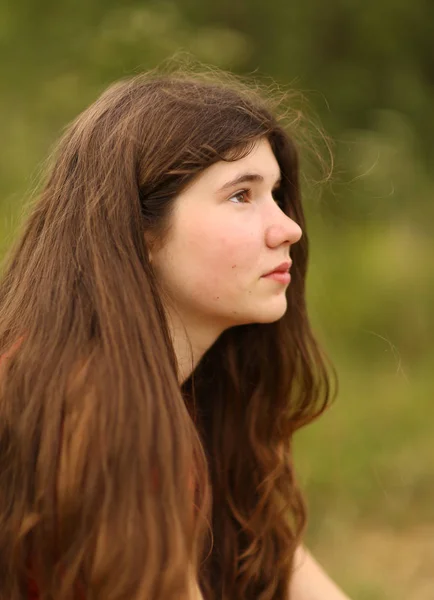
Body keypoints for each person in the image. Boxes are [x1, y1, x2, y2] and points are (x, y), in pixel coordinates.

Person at [0, 66, 350, 599]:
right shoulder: (94, 407)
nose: (288, 227)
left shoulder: (196, 390)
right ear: (140, 233)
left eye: (276, 193)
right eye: (241, 195)